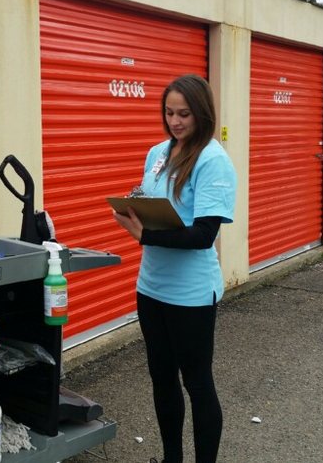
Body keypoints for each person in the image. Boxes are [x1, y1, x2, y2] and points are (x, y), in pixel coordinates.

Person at [112, 74, 237, 463]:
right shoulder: (158, 153)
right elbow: (153, 199)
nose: (175, 121)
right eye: (169, 113)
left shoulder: (213, 161)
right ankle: (171, 458)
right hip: (151, 287)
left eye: (184, 114)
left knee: (197, 384)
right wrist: (133, 205)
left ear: (202, 113)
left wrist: (144, 234)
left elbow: (203, 234)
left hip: (191, 293)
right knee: (161, 378)